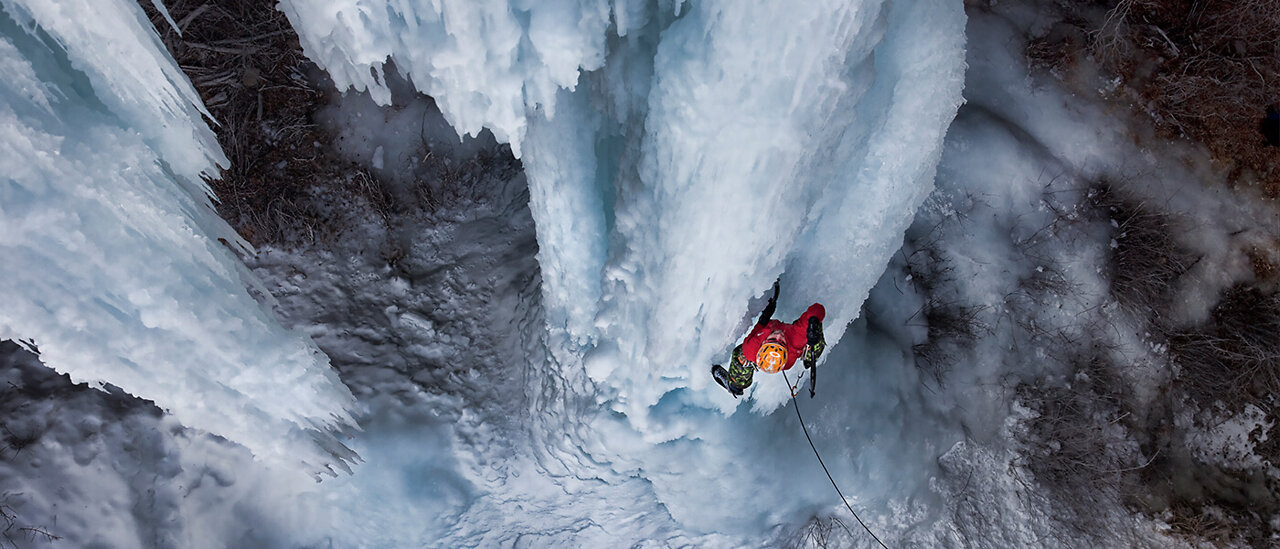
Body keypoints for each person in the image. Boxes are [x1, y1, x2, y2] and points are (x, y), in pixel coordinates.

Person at [712, 280, 826, 398]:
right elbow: (818, 309)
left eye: (773, 340)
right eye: (782, 342)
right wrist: (813, 323)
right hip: (795, 345)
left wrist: (764, 318)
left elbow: (757, 331)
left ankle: (734, 385)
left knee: (741, 358)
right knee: (815, 340)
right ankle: (810, 357)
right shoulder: (795, 339)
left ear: (764, 342)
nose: (779, 336)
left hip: (763, 345)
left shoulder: (751, 348)